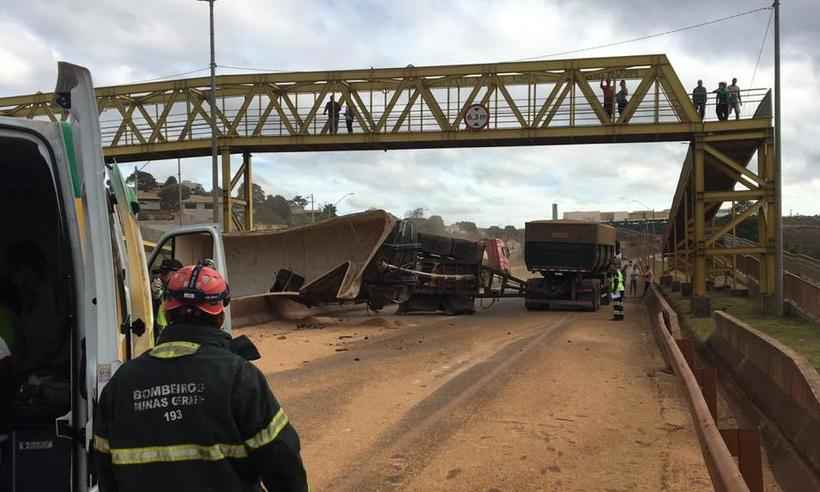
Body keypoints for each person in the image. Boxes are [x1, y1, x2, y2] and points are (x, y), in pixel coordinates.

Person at [94, 264, 308, 492]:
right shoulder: (238, 375)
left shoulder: (122, 381)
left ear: (167, 310)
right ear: (220, 315)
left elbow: (104, 470)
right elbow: (282, 460)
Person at [152, 258, 183, 338]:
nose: (160, 277)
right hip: (161, 333)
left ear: (175, 274)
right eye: (160, 273)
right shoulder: (164, 290)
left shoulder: (181, 294)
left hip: (172, 335)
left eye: (164, 274)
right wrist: (155, 297)